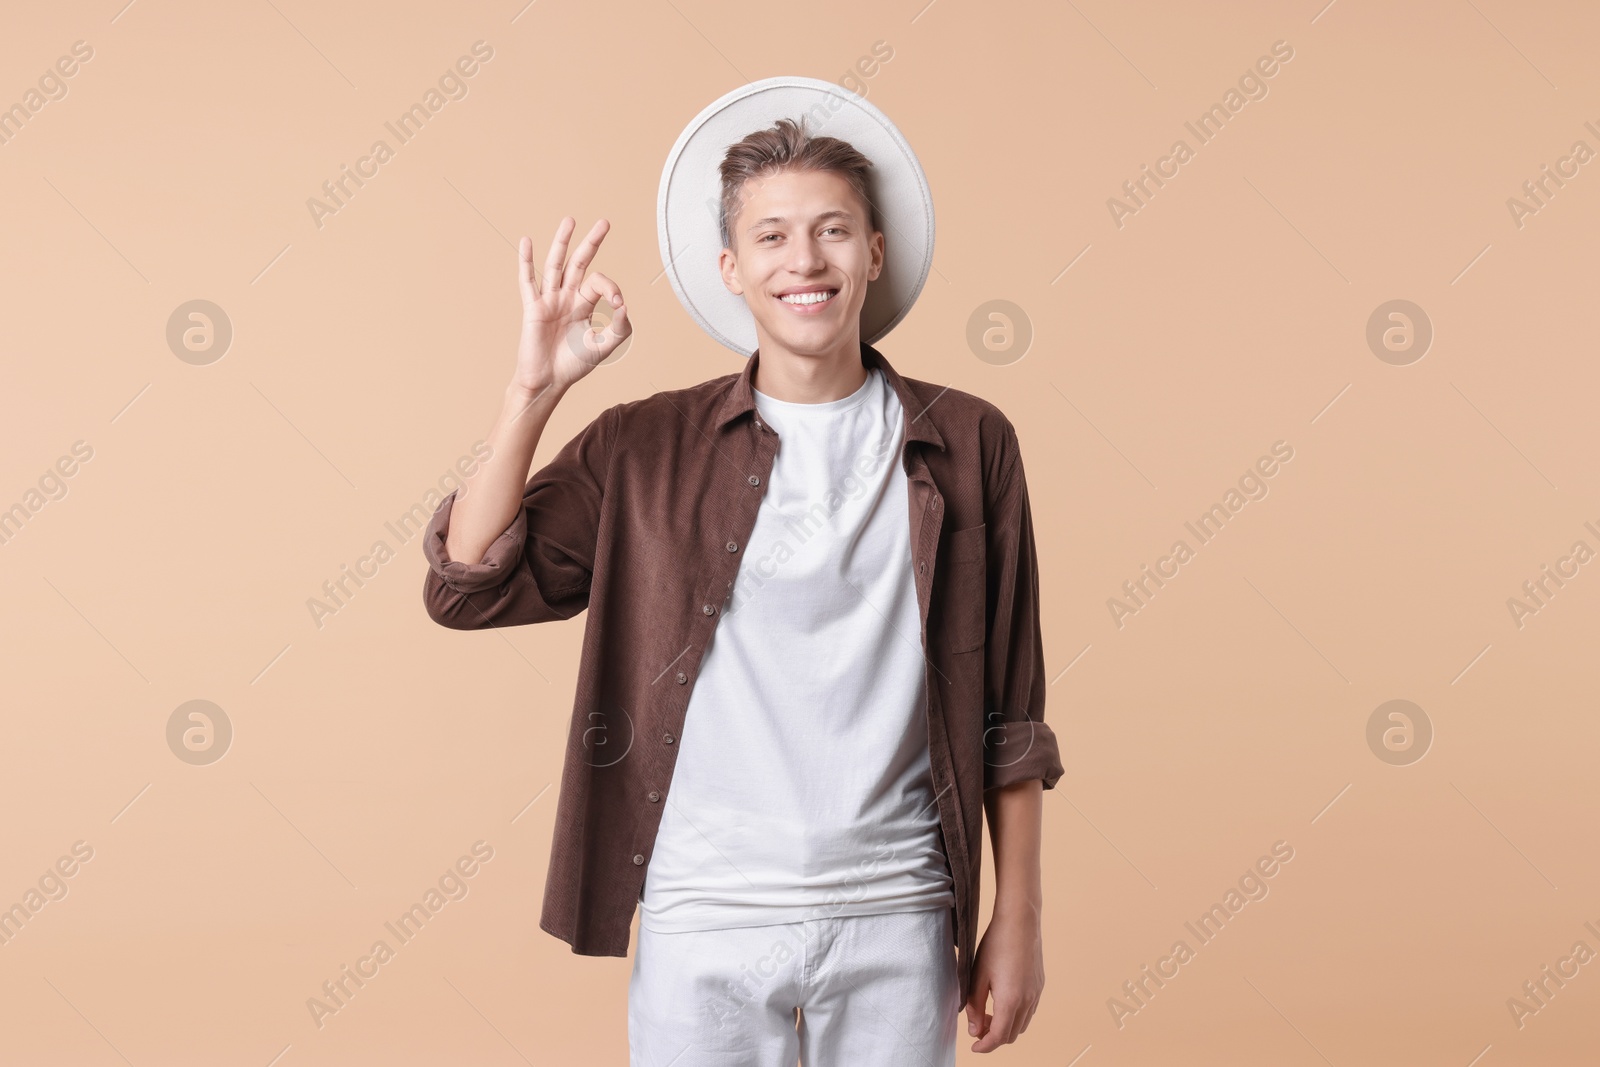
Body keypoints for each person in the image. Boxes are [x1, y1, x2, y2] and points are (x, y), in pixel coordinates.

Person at [421, 86, 1062, 1066]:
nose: (803, 261)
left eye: (832, 231)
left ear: (874, 253)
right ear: (730, 268)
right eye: (770, 238)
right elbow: (465, 585)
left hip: (896, 912)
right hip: (703, 915)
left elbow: (1010, 711)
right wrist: (533, 391)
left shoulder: (970, 442)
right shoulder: (644, 448)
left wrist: (1016, 919)